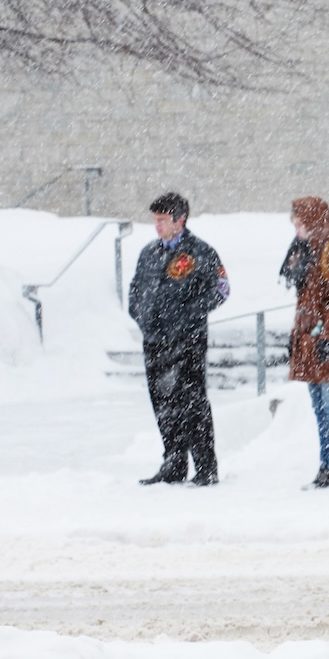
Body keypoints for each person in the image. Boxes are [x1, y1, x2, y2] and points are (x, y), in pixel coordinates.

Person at [129, 192, 229, 486]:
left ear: (179, 220)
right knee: (163, 403)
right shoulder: (148, 253)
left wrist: (187, 316)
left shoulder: (200, 252)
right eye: (155, 220)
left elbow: (221, 289)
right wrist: (142, 316)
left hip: (187, 341)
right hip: (155, 341)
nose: (157, 226)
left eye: (162, 220)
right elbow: (136, 290)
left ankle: (205, 467)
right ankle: (173, 462)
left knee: (192, 403)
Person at [279, 197, 329, 488]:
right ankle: (326, 464)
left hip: (327, 344)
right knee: (320, 408)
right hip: (311, 343)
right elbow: (305, 301)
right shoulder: (305, 253)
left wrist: (328, 337)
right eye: (296, 224)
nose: (297, 230)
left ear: (313, 222)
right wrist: (295, 336)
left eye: (300, 224)